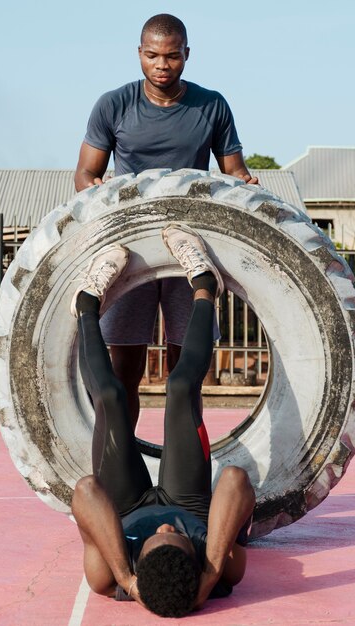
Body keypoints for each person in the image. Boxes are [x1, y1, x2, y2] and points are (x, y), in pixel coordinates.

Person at [74, 13, 259, 428]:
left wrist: (245, 181)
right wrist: (99, 193)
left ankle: (184, 472)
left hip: (188, 247)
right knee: (123, 374)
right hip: (132, 248)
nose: (162, 65)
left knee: (186, 376)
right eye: (153, 55)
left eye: (172, 56)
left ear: (186, 55)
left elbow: (234, 172)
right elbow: (84, 175)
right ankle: (125, 466)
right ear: (139, 54)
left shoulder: (211, 104)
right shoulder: (114, 104)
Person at [70, 224, 256, 617]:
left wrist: (124, 574)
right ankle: (206, 288)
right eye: (178, 540)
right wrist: (210, 571)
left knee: (110, 396)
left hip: (125, 505)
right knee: (180, 388)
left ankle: (86, 306)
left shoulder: (109, 576)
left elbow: (86, 491)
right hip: (188, 499)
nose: (166, 529)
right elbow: (236, 481)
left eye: (155, 539)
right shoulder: (223, 571)